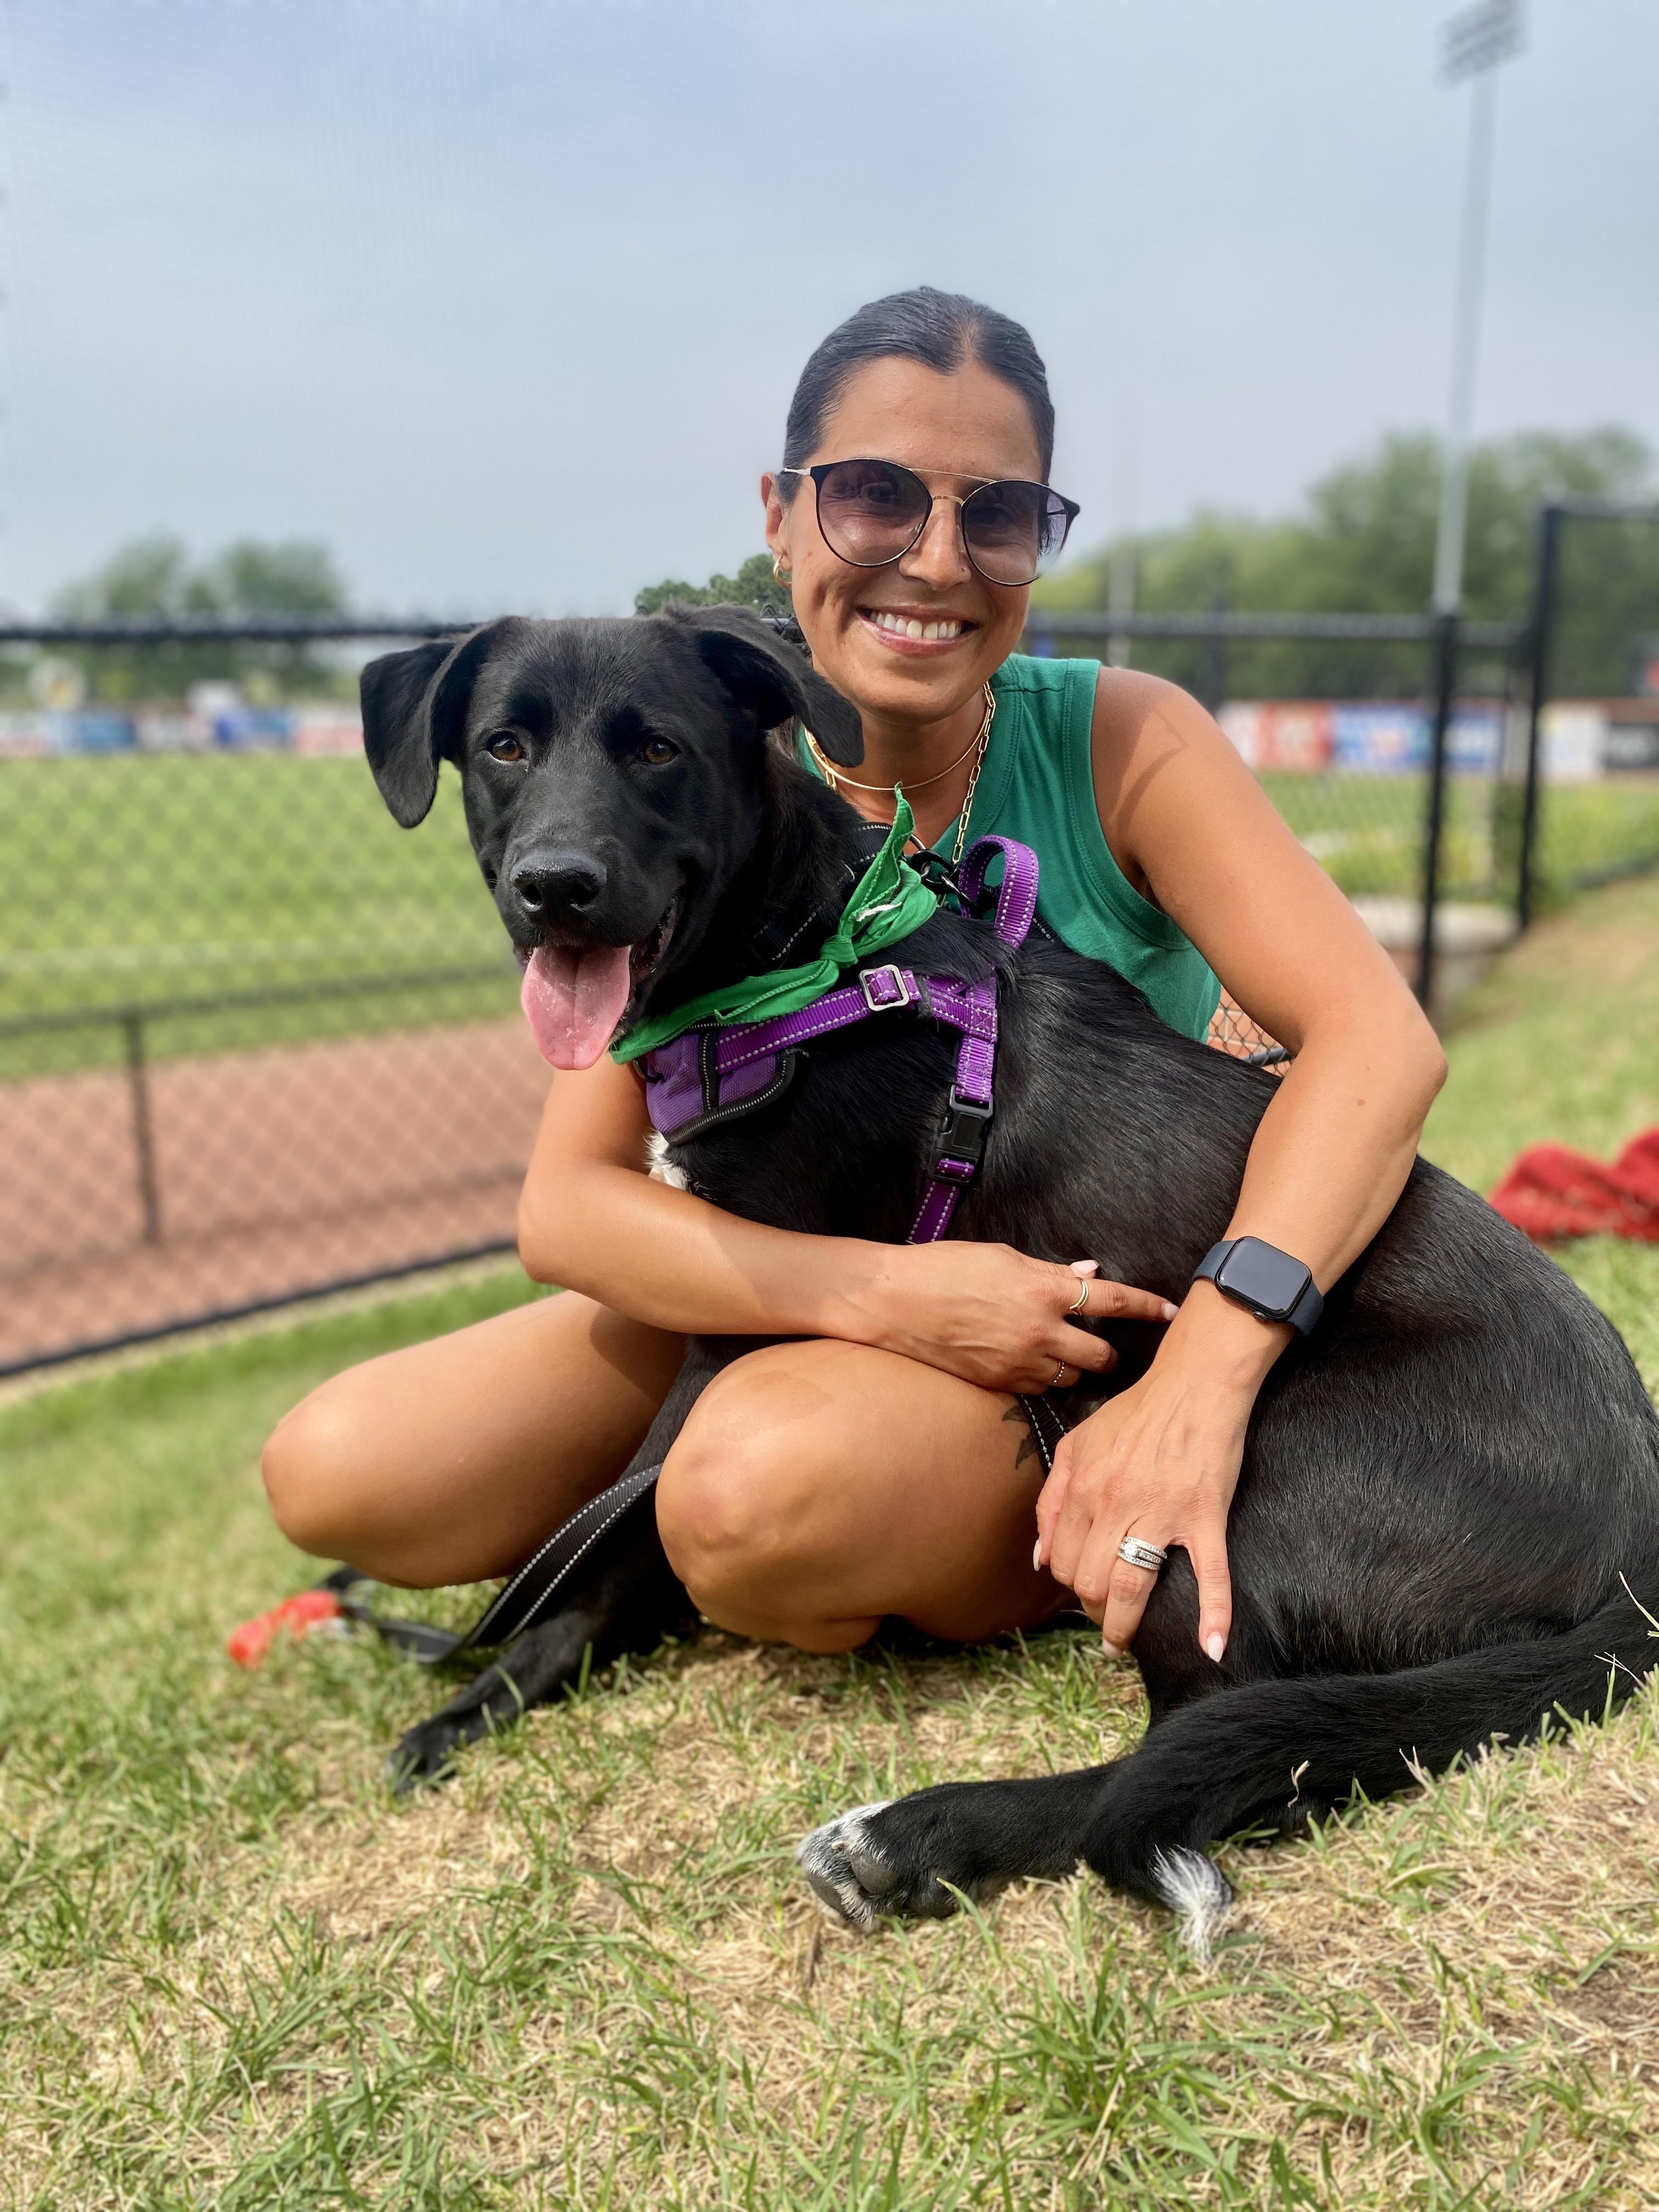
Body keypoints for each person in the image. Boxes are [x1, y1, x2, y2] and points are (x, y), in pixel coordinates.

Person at [262, 287, 1445, 1670]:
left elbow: (1379, 1047)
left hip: (1068, 1309)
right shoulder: (698, 791)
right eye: (876, 498)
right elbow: (572, 1212)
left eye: (995, 514)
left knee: (755, 1506)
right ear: (782, 512)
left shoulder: (1122, 739)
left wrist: (1203, 1380)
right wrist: (872, 1299)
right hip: (838, 1272)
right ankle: (751, 1493)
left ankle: (1032, 1512)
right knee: (340, 1469)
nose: (936, 561)